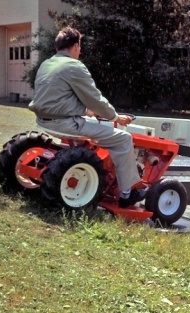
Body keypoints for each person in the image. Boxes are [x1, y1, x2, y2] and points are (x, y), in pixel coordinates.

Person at [28, 27, 146, 208]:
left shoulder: (47, 64)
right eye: (80, 47)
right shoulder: (74, 66)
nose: (80, 51)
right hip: (65, 123)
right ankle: (127, 193)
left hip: (44, 119)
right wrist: (115, 117)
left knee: (94, 126)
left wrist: (87, 111)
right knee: (123, 139)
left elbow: (59, 97)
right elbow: (94, 98)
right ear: (76, 46)